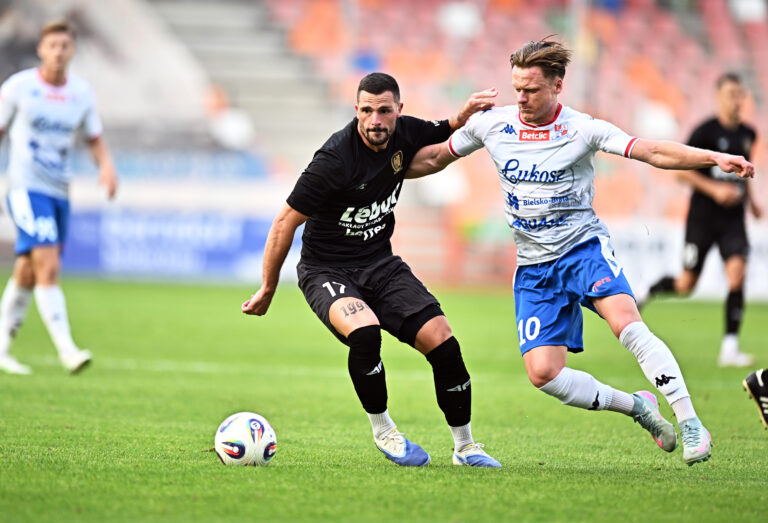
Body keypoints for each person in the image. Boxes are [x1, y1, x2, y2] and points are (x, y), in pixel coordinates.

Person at [405, 39, 755, 466]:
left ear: (557, 86)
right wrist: (377, 166)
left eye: (531, 90)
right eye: (516, 87)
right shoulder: (492, 125)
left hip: (582, 250)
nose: (521, 98)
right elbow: (433, 159)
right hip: (534, 266)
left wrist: (714, 158)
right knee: (543, 374)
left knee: (627, 325)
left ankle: (690, 421)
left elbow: (652, 151)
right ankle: (637, 406)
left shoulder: (582, 128)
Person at [242, 72, 501, 467]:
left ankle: (465, 448)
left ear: (399, 109)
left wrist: (464, 117)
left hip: (380, 264)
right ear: (356, 111)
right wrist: (268, 288)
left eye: (384, 110)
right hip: (326, 269)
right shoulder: (334, 160)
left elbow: (440, 138)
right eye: (366, 111)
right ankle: (384, 431)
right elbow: (284, 222)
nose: (375, 120)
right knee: (364, 333)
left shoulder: (406, 133)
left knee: (444, 342)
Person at [0, 20, 118, 375]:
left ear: (72, 50)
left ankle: (1, 349)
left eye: (65, 45)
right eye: (52, 45)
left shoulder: (81, 93)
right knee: (48, 266)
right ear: (41, 49)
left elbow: (93, 136)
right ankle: (67, 350)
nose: (58, 52)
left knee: (27, 270)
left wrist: (107, 167)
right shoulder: (19, 88)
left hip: (59, 191)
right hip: (24, 187)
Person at [645, 73, 762, 367]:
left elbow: (742, 172)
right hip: (703, 219)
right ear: (719, 97)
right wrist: (714, 189)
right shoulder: (705, 133)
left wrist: (755, 203)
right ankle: (646, 292)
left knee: (737, 273)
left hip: (733, 220)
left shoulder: (749, 133)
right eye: (730, 94)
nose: (736, 100)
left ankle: (730, 348)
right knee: (686, 284)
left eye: (739, 94)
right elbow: (682, 171)